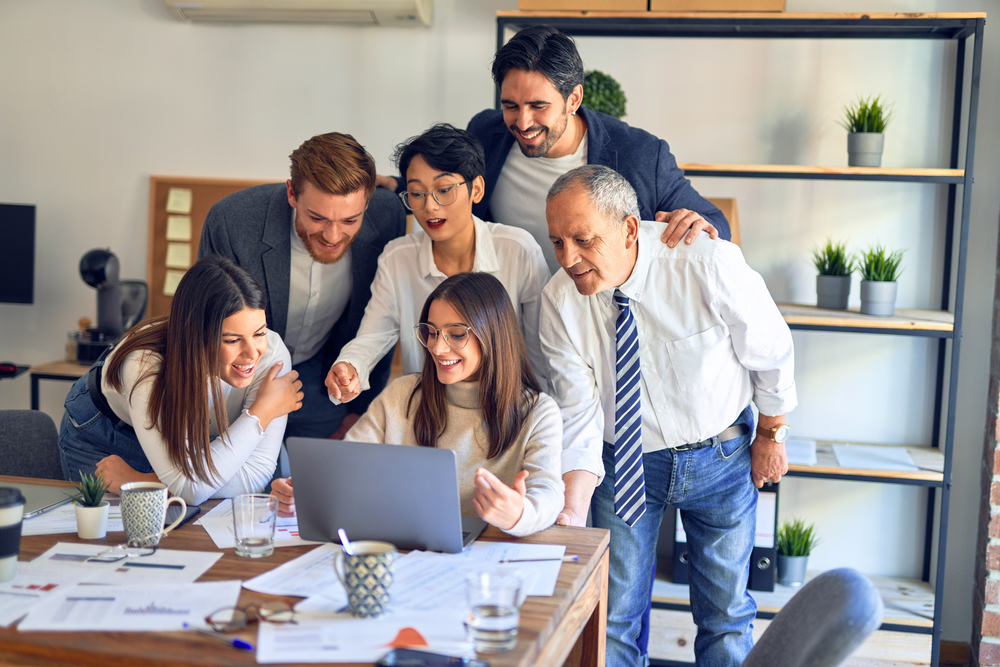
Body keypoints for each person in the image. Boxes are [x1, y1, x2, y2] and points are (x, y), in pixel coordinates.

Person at [539, 165, 797, 666]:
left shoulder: (705, 261)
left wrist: (771, 434)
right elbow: (580, 411)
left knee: (725, 617)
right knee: (612, 617)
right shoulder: (558, 301)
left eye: (583, 240)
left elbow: (771, 350)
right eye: (557, 242)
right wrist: (571, 509)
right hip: (627, 465)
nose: (568, 259)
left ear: (630, 229)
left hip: (721, 458)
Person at [376, 25, 729, 274]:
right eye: (510, 105)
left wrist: (696, 224)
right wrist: (399, 185)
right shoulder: (487, 131)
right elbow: (449, 181)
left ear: (573, 98)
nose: (523, 122)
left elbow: (717, 227)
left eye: (538, 106)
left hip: (598, 320)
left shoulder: (640, 153)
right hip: (508, 313)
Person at [274, 272, 564, 537]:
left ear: (493, 335)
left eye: (456, 334)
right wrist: (306, 492)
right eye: (432, 332)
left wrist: (519, 514)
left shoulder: (538, 413)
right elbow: (347, 467)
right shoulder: (403, 394)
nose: (437, 348)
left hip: (488, 564)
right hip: (403, 555)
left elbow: (548, 493)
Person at [198, 132, 406, 440]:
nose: (333, 236)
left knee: (319, 484)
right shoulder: (232, 221)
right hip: (237, 381)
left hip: (321, 381)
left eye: (350, 221)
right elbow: (206, 325)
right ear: (292, 194)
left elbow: (380, 317)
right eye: (318, 218)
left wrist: (360, 411)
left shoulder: (388, 215)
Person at [326, 123, 549, 404]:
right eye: (417, 194)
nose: (429, 206)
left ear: (476, 189)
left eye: (444, 190)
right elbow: (373, 336)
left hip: (507, 412)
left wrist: (537, 415)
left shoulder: (518, 250)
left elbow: (541, 353)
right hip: (431, 415)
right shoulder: (398, 258)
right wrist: (349, 366)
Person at [57, 256, 303, 506]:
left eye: (259, 333)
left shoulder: (272, 356)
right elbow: (192, 489)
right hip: (109, 441)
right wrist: (263, 410)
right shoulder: (145, 365)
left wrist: (140, 480)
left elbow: (255, 474)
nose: (253, 353)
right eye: (231, 340)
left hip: (193, 452)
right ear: (195, 335)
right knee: (117, 539)